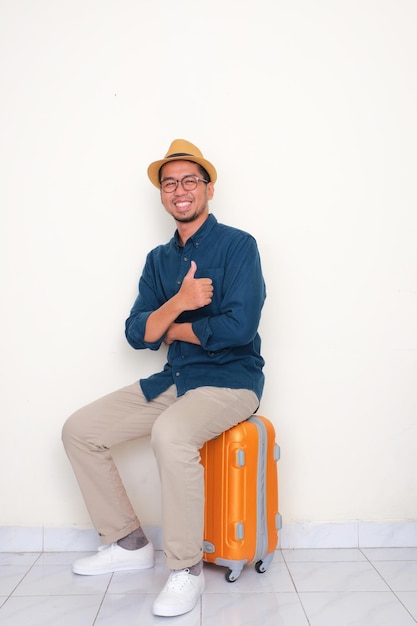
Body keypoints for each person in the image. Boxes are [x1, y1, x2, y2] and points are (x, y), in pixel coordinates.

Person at [62, 139, 266, 617]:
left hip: (230, 381)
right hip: (175, 377)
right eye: (170, 182)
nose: (180, 189)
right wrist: (179, 302)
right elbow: (137, 333)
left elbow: (240, 328)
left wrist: (169, 327)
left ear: (208, 189)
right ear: (161, 194)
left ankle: (185, 570)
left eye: (190, 180)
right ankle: (128, 543)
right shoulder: (158, 260)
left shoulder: (239, 245)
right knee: (80, 430)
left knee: (170, 433)